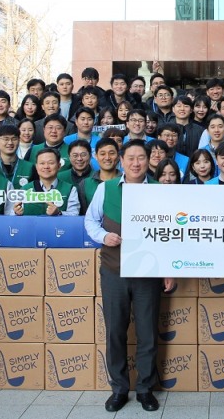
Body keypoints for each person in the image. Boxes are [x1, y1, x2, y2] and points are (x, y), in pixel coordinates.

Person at [84, 140, 175, 413]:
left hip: (148, 273)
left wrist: (169, 269)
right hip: (114, 270)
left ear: (150, 161)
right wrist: (104, 236)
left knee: (147, 332)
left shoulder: (161, 191)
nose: (136, 163)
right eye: (131, 158)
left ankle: (146, 389)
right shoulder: (106, 188)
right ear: (121, 161)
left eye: (141, 158)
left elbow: (172, 232)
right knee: (115, 332)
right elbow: (90, 221)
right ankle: (120, 389)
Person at [13, 148, 79, 216]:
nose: (46, 167)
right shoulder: (24, 190)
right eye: (42, 163)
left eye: (51, 163)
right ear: (36, 166)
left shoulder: (70, 189)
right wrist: (16, 213)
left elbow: (75, 214)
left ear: (59, 166)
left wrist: (59, 213)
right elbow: (12, 214)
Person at [0, 125, 34, 189]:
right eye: (6, 139)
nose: (10, 142)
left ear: (19, 141)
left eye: (14, 139)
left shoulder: (30, 167)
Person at [84, 138, 121, 203]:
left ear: (118, 156)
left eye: (111, 153)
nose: (107, 158)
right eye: (102, 154)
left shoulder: (126, 182)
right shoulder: (85, 184)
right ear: (96, 156)